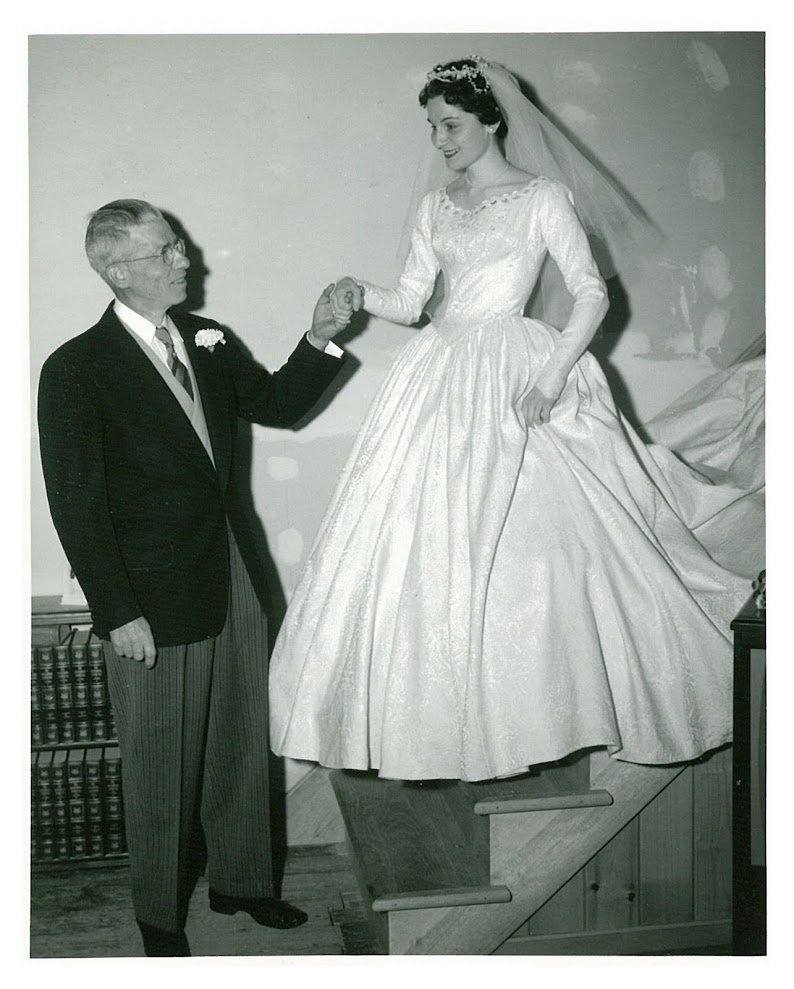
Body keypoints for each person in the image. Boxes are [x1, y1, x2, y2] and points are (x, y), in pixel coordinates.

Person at [269, 58, 751, 783]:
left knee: (553, 546)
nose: (440, 139)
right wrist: (356, 291)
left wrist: (549, 376)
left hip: (516, 365)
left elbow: (590, 296)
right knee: (420, 544)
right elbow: (410, 299)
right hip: (439, 372)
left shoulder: (541, 197)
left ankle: (549, 707)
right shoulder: (438, 206)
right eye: (431, 126)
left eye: (451, 124)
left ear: (493, 120)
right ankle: (456, 720)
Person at [37, 199, 347, 956]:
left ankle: (242, 882)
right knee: (160, 762)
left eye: (176, 246)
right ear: (118, 269)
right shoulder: (77, 368)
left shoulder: (207, 342)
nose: (185, 259)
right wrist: (117, 610)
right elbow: (75, 503)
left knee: (244, 737)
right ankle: (158, 916)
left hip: (232, 570)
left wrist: (320, 338)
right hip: (148, 596)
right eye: (165, 250)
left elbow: (278, 403)